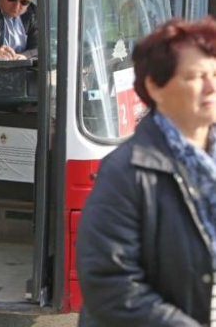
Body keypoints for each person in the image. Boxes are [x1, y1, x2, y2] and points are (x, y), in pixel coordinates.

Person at [76, 17, 216, 326]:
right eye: (195, 77)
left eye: (215, 74)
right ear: (155, 86)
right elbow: (110, 285)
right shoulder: (125, 172)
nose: (211, 86)